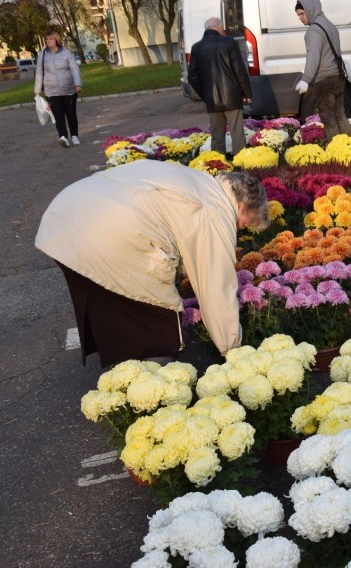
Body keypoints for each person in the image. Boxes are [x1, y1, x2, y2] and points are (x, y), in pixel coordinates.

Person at [35, 160, 271, 368]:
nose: (238, 230)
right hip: (106, 234)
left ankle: (127, 376)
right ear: (240, 207)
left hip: (65, 218)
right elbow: (216, 288)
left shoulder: (200, 182)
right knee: (161, 326)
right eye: (243, 224)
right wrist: (234, 352)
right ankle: (152, 397)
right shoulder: (215, 210)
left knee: (118, 304)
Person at [188, 17, 253, 160]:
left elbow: (192, 77)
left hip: (212, 99)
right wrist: (246, 92)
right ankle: (240, 164)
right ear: (219, 27)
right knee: (237, 134)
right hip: (232, 96)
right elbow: (239, 70)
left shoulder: (196, 48)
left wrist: (205, 95)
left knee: (217, 137)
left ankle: (218, 167)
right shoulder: (229, 42)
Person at [294, 0, 351, 138]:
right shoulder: (330, 25)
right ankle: (350, 148)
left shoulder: (313, 31)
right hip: (338, 77)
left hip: (324, 81)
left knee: (329, 121)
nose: (300, 18)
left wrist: (305, 79)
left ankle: (336, 154)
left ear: (310, 10)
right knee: (341, 116)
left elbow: (313, 57)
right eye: (298, 15)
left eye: (302, 13)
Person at [34, 31, 83, 148]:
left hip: (69, 90)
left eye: (51, 39)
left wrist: (78, 84)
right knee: (58, 115)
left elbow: (74, 70)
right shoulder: (42, 55)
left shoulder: (66, 54)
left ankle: (74, 135)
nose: (48, 41)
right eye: (47, 39)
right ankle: (63, 137)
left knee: (71, 114)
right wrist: (37, 90)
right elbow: (39, 73)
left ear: (56, 40)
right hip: (51, 91)